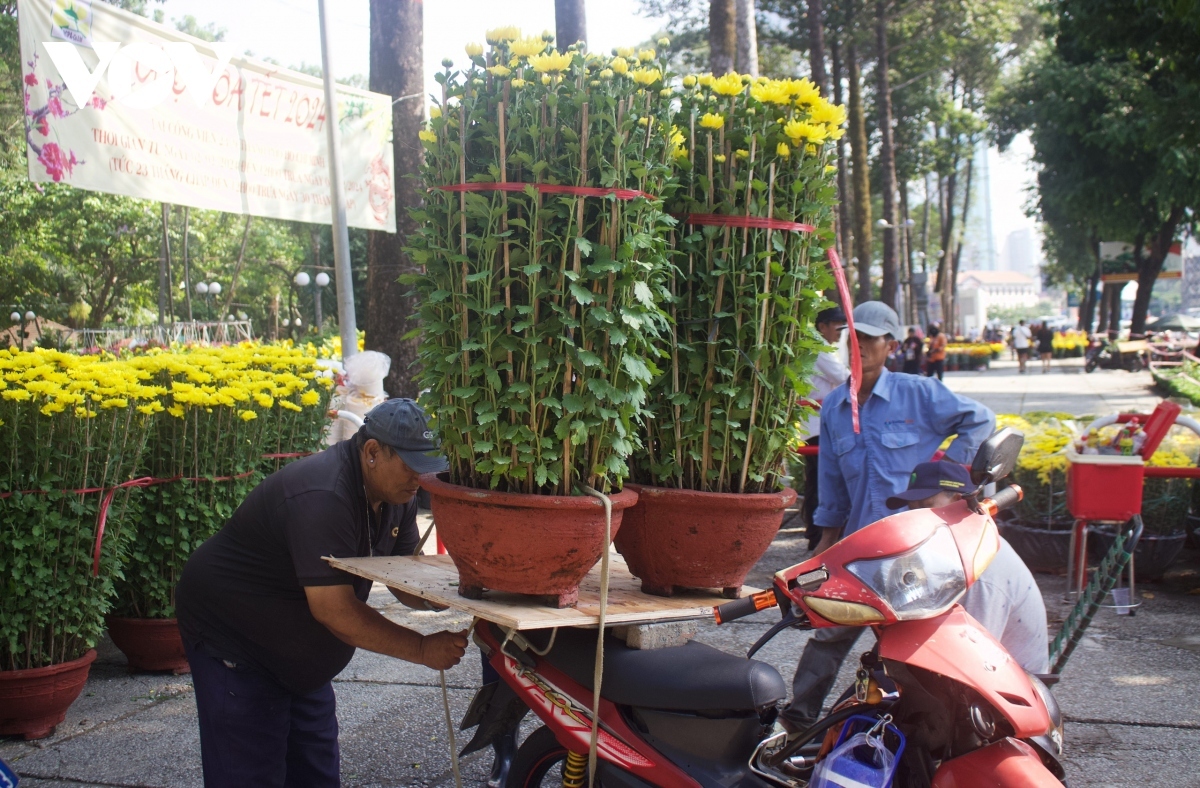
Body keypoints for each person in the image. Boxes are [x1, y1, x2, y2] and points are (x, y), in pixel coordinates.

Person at [176, 398, 470, 788]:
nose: (422, 479)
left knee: (316, 772)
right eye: (413, 466)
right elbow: (336, 611)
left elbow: (404, 575)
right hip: (235, 636)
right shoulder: (324, 495)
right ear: (372, 452)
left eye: (428, 467)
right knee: (250, 772)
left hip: (300, 650)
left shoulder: (396, 492)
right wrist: (420, 648)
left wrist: (455, 592)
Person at [780, 301, 995, 732]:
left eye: (869, 339)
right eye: (852, 338)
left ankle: (934, 727)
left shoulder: (919, 393)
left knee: (922, 645)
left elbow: (980, 421)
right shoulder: (835, 408)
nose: (858, 346)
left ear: (890, 345)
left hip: (916, 550)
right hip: (862, 550)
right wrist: (822, 551)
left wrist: (943, 482)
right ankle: (794, 726)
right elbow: (833, 491)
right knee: (829, 637)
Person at [885, 461, 1049, 674]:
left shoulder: (981, 565)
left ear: (958, 501)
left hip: (1011, 688)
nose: (916, 518)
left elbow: (976, 660)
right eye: (911, 508)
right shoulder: (952, 546)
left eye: (925, 505)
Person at [800, 306, 850, 550]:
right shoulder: (818, 347)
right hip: (817, 424)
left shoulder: (818, 344)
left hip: (818, 423)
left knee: (817, 480)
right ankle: (817, 534)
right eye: (837, 326)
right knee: (821, 481)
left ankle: (816, 533)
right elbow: (843, 377)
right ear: (823, 326)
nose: (840, 332)